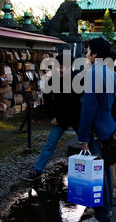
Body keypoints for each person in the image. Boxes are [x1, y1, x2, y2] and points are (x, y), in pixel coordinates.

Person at [77, 37, 116, 222]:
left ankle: (102, 217)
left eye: (88, 51)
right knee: (105, 170)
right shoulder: (111, 72)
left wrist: (83, 136)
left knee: (97, 174)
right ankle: (108, 208)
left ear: (95, 54)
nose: (86, 54)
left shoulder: (94, 73)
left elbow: (88, 108)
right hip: (108, 127)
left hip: (96, 130)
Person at [24, 53, 82, 181]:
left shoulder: (78, 79)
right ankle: (37, 169)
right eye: (57, 67)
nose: (59, 70)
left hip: (76, 117)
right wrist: (51, 117)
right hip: (59, 118)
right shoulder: (51, 80)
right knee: (49, 144)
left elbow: (78, 103)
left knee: (86, 143)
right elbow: (48, 101)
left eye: (62, 67)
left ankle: (97, 169)